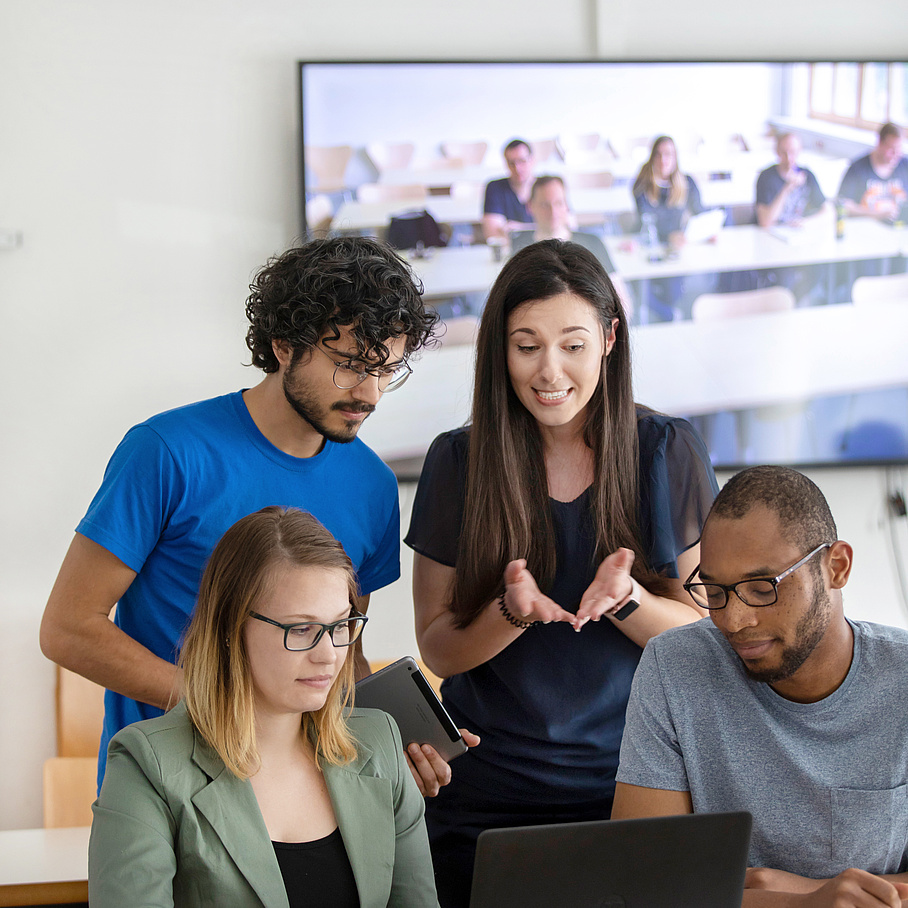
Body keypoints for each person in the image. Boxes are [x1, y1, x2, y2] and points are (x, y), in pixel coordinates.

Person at [39, 236, 461, 796]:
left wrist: (391, 745)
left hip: (309, 797)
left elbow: (343, 653)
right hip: (170, 792)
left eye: (386, 370)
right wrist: (220, 705)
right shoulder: (166, 451)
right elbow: (68, 629)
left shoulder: (374, 486)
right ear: (284, 344)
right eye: (350, 366)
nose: (371, 393)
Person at [405, 239, 718, 906]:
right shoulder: (457, 462)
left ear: (609, 339)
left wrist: (628, 600)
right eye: (526, 345)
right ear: (500, 349)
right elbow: (436, 645)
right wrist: (511, 613)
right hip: (486, 795)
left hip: (637, 787)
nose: (550, 371)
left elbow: (706, 643)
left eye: (572, 345)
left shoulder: (667, 451)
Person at [89, 506, 439, 907]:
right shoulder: (146, 764)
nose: (328, 655)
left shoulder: (380, 743)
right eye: (301, 629)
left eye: (340, 624)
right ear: (229, 629)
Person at [613, 465, 908, 908]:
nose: (733, 621)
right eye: (714, 592)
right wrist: (803, 902)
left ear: (836, 568)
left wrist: (785, 889)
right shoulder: (674, 665)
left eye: (761, 587)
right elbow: (642, 882)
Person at [510, 175, 615, 272]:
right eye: (545, 205)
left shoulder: (593, 243)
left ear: (567, 205)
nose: (553, 211)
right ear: (530, 206)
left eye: (558, 203)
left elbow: (616, 289)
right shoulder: (519, 248)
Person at [632, 135, 704, 247]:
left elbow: (699, 211)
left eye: (668, 154)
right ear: (652, 157)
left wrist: (708, 232)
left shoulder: (687, 182)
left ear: (675, 157)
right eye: (658, 155)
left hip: (680, 243)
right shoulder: (641, 185)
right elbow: (647, 221)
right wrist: (669, 237)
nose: (663, 160)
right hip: (650, 243)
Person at [838, 122, 908, 221]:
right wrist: (875, 214)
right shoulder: (857, 168)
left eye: (899, 149)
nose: (896, 154)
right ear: (879, 143)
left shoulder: (905, 165)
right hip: (866, 228)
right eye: (891, 149)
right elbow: (843, 205)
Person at [756, 133, 827, 228]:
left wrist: (807, 222)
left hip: (798, 231)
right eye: (784, 153)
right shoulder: (766, 177)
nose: (789, 158)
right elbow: (766, 222)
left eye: (793, 152)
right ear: (777, 151)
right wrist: (787, 188)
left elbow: (829, 211)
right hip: (771, 233)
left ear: (799, 151)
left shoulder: (807, 175)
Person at [482, 138, 535, 241]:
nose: (517, 168)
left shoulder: (547, 187)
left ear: (532, 160)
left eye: (522, 161)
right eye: (511, 163)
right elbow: (492, 233)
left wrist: (517, 229)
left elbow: (565, 224)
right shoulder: (495, 188)